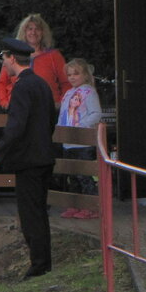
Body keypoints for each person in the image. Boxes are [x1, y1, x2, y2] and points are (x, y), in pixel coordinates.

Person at [0, 37, 58, 278]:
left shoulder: (22, 87)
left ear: (12, 58)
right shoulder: (41, 84)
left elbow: (15, 127)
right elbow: (50, 120)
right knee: (39, 212)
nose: (2, 63)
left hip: (29, 160)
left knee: (30, 214)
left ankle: (39, 265)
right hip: (45, 156)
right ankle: (43, 262)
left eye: (3, 59)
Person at [57, 58, 102, 219]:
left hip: (83, 142)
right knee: (72, 176)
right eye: (69, 74)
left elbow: (96, 113)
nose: (72, 77)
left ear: (85, 74)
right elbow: (63, 114)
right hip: (68, 141)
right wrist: (60, 129)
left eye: (76, 74)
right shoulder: (68, 93)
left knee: (85, 176)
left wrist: (81, 125)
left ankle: (91, 206)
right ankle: (74, 205)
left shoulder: (89, 92)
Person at [0, 13, 71, 108]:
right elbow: (1, 83)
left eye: (37, 29)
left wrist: (61, 103)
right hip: (18, 108)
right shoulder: (13, 55)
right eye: (30, 29)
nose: (33, 32)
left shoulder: (54, 56)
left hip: (47, 110)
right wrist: (5, 103)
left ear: (43, 33)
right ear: (24, 32)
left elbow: (66, 83)